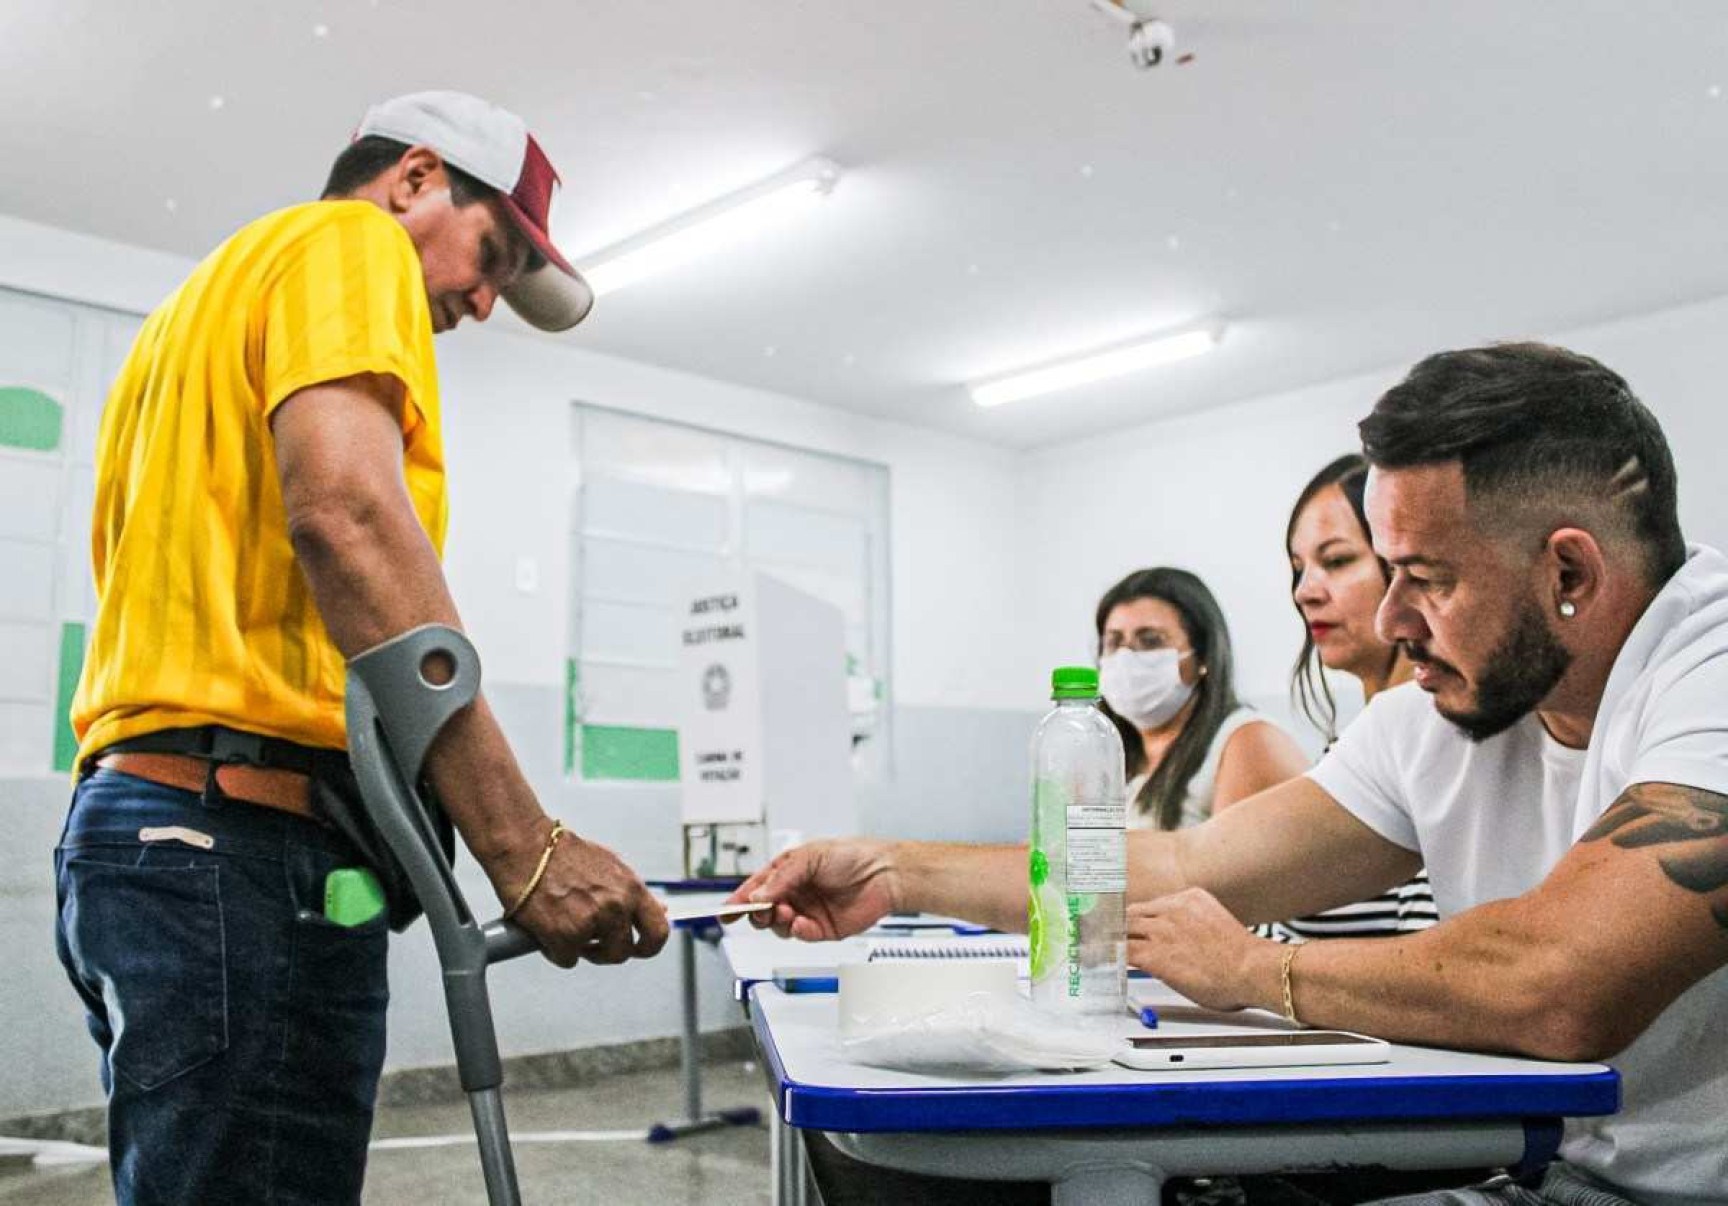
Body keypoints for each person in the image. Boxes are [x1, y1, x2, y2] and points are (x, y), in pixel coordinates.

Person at [734, 342, 1728, 1206]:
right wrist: (895, 871)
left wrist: (1261, 973)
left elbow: (1559, 982)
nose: (1390, 621)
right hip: (1547, 1170)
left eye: (1424, 579)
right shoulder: (1435, 712)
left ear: (1569, 573)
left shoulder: (1709, 667)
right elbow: (1189, 866)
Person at [53, 91, 669, 1205]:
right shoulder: (351, 241)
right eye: (494, 255)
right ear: (418, 177)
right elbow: (347, 516)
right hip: (236, 846)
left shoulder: (190, 314)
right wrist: (521, 846)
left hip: (146, 839)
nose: (485, 302)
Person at [1278, 454, 1436, 940]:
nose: (1306, 592)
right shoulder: (1358, 740)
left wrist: (1252, 970)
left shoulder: (1432, 729)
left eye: (1337, 560)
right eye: (1299, 569)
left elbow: (1429, 952)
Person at [1096, 566, 1308, 830]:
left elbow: (1231, 869)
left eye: (1150, 640)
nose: (1126, 658)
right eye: (1114, 642)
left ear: (1204, 656)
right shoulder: (1108, 757)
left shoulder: (1247, 742)